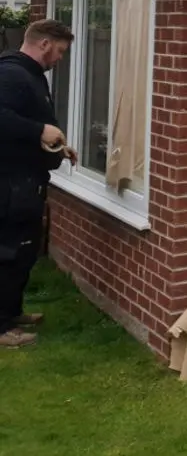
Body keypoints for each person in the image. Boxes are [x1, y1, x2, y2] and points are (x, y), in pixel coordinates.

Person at [0, 19, 77, 348]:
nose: (59, 59)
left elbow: (30, 121)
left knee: (25, 253)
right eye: (59, 51)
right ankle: (2, 328)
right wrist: (38, 132)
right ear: (44, 44)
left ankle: (12, 313)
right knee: (7, 252)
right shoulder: (11, 74)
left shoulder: (31, 76)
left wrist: (57, 144)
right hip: (9, 185)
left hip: (27, 182)